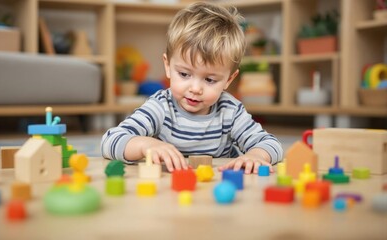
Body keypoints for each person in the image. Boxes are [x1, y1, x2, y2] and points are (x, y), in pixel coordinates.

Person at [101, 2, 283, 174]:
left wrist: (255, 155)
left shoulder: (231, 110)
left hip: (217, 188)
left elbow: (271, 144)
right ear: (168, 65)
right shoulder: (161, 106)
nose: (195, 89)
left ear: (229, 79)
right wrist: (144, 145)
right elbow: (110, 141)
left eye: (210, 80)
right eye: (184, 74)